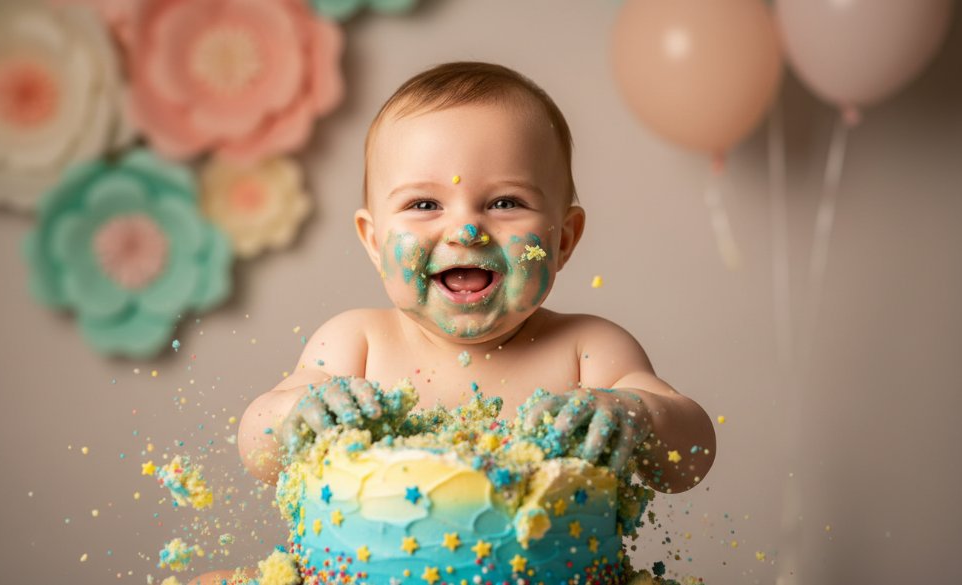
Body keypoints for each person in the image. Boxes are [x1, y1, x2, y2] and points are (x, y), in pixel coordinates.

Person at [191, 61, 715, 585]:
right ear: (374, 240)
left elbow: (690, 459)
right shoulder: (357, 343)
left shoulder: (588, 350)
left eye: (505, 203)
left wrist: (635, 413)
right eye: (424, 204)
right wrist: (297, 414)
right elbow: (259, 450)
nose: (466, 230)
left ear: (564, 239)